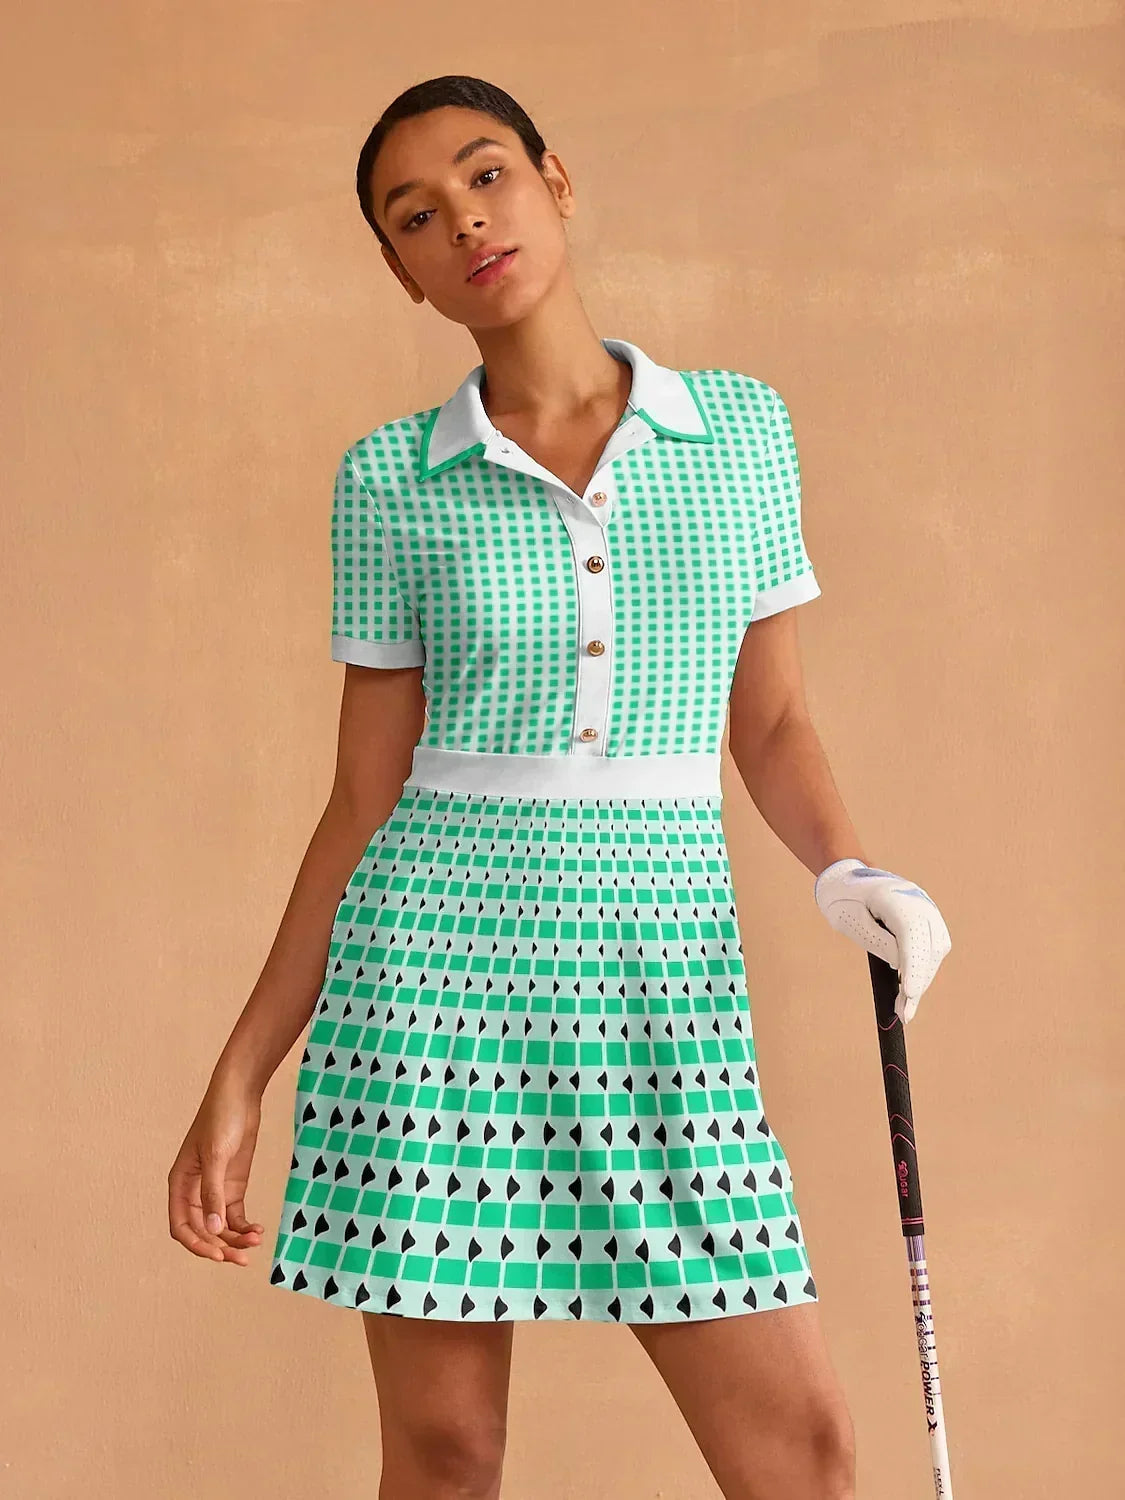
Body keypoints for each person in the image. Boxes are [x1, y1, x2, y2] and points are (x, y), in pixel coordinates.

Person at [167, 73, 951, 1500]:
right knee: (446, 1456)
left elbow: (770, 720)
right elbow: (360, 804)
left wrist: (850, 871)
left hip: (660, 982)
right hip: (430, 995)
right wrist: (241, 1074)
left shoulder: (739, 433)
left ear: (554, 181)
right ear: (400, 271)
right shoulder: (390, 482)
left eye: (486, 177)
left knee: (803, 1453)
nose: (465, 221)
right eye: (416, 215)